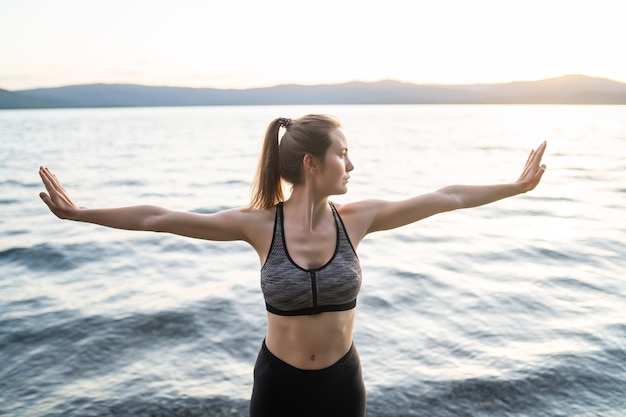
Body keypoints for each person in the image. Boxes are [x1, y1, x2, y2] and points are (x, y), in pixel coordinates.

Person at [39, 114, 547, 417]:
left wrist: (515, 186)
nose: (351, 165)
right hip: (278, 385)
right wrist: (81, 213)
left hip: (342, 383)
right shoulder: (259, 226)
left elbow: (448, 195)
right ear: (311, 164)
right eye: (342, 155)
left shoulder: (359, 219)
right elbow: (160, 217)